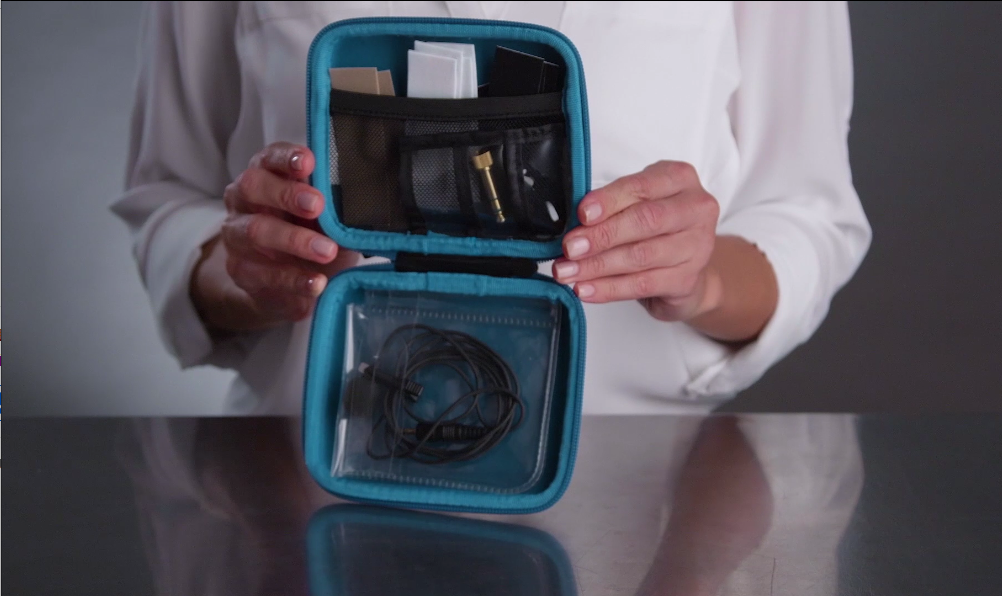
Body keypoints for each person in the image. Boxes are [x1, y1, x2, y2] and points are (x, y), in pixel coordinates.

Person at [112, 1, 870, 415]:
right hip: (307, 482)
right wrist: (245, 270)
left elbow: (807, 212)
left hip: (645, 496)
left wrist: (702, 280)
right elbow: (169, 200)